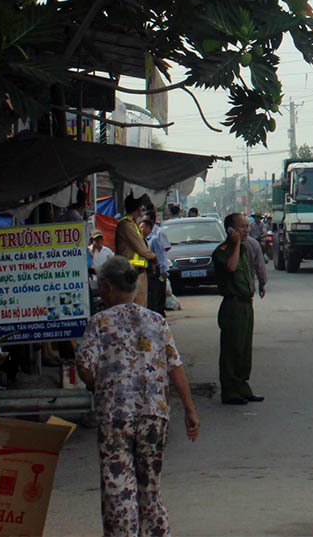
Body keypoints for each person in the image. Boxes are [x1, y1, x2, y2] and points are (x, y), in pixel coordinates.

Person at [77, 256, 199, 537]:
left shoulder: (99, 323)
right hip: (154, 415)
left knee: (118, 486)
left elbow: (84, 367)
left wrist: (101, 385)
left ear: (107, 287)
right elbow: (175, 367)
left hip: (115, 416)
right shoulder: (156, 321)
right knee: (150, 486)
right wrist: (190, 410)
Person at [213, 213, 264, 405]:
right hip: (232, 305)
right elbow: (232, 268)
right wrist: (234, 245)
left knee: (244, 349)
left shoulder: (243, 248)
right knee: (231, 349)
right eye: (241, 227)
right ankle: (230, 391)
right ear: (230, 230)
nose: (246, 230)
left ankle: (243, 387)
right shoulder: (224, 250)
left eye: (247, 226)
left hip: (245, 304)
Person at [113, 192, 158, 307]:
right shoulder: (126, 225)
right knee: (135, 307)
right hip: (131, 273)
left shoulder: (133, 224)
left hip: (138, 272)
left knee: (140, 306)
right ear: (138, 208)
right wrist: (153, 258)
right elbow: (141, 248)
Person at [142, 217, 171, 314]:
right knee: (150, 293)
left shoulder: (154, 240)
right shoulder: (142, 240)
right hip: (148, 270)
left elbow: (160, 256)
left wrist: (163, 271)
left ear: (148, 228)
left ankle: (158, 312)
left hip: (156, 270)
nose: (140, 229)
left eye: (142, 227)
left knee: (156, 292)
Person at [243, 232, 268, 299]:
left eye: (247, 227)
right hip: (246, 288)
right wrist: (262, 284)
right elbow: (260, 267)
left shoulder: (253, 243)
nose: (246, 229)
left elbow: (260, 267)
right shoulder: (252, 243)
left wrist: (262, 284)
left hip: (246, 289)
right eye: (242, 226)